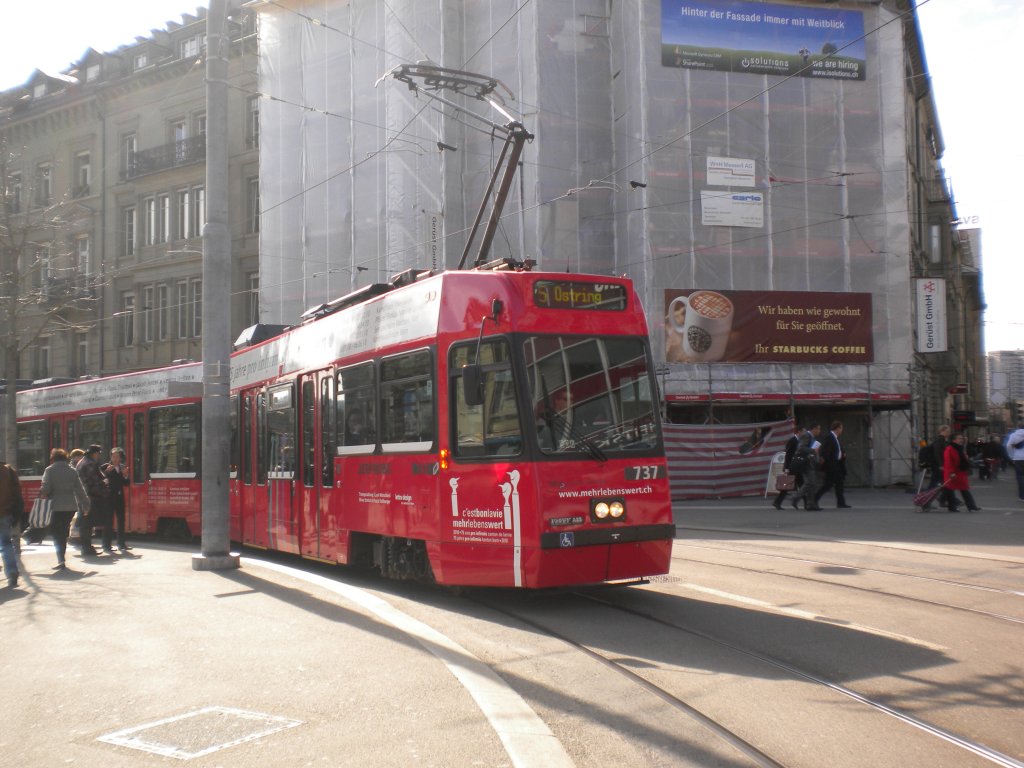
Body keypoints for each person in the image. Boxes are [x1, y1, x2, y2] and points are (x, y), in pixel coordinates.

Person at [39, 448, 90, 570]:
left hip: (55, 506)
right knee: (63, 530)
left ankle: (61, 559)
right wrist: (86, 505)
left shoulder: (49, 470)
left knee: (57, 533)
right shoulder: (72, 471)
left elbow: (45, 489)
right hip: (70, 507)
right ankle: (62, 556)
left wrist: (42, 493)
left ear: (53, 459)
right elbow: (80, 489)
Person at [76, 444, 110, 556]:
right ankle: (87, 548)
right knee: (88, 523)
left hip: (82, 496)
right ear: (94, 453)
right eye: (98, 454)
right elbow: (94, 482)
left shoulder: (81, 462)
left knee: (85, 522)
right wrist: (104, 483)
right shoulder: (90, 463)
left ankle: (86, 547)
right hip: (90, 496)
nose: (99, 456)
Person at [1, 459, 26, 588]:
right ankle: (12, 573)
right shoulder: (9, 471)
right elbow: (17, 493)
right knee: (6, 544)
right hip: (5, 513)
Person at [815, 420, 851, 508]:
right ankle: (814, 499)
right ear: (837, 428)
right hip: (832, 465)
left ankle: (841, 502)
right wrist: (830, 464)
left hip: (838, 464)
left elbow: (837, 450)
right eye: (841, 428)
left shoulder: (836, 438)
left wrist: (842, 454)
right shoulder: (829, 437)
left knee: (839, 483)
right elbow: (825, 452)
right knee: (828, 484)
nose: (842, 430)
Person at [101, 448, 131, 552]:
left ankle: (121, 544)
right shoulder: (105, 467)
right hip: (109, 497)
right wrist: (106, 473)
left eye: (117, 457)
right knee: (108, 521)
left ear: (120, 458)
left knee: (121, 520)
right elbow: (101, 480)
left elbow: (126, 484)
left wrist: (126, 475)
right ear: (111, 457)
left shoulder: (122, 467)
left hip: (120, 497)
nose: (115, 459)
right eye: (113, 456)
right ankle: (106, 545)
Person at [943, 433, 981, 512]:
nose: (961, 440)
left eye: (962, 438)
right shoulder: (949, 448)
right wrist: (951, 472)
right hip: (953, 472)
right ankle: (952, 507)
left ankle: (971, 506)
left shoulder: (960, 448)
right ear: (954, 440)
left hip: (960, 472)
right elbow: (948, 462)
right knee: (950, 490)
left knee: (964, 489)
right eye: (959, 438)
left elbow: (963, 459)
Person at [771, 423, 804, 510]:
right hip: (792, 467)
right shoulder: (792, 441)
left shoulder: (800, 441)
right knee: (788, 486)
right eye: (803, 432)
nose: (803, 434)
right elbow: (788, 455)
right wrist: (786, 468)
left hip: (797, 467)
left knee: (802, 485)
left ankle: (804, 502)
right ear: (799, 432)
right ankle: (778, 502)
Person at [790, 423, 823, 511]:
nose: (819, 431)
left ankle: (810, 504)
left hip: (810, 463)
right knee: (810, 483)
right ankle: (795, 497)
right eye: (819, 429)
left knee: (812, 484)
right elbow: (801, 448)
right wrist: (813, 450)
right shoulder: (806, 436)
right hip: (805, 463)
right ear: (814, 429)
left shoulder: (812, 437)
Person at [920, 425, 951, 512]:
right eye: (948, 431)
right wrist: (940, 465)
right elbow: (937, 453)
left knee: (939, 485)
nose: (949, 432)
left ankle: (938, 501)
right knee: (935, 485)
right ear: (942, 431)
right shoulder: (940, 440)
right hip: (938, 467)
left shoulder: (941, 440)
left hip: (938, 466)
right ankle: (926, 502)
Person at [1007, 422, 1024, 503]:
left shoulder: (1013, 435)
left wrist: (1011, 456)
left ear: (1018, 427)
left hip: (1018, 458)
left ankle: (1022, 496)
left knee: (1020, 477)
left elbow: (1008, 446)